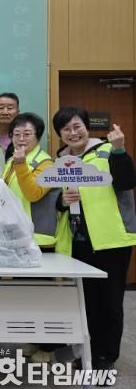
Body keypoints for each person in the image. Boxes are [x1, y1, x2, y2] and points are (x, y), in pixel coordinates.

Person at [52, 107, 136, 372]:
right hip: (79, 240)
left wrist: (120, 150)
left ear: (87, 127)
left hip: (112, 239)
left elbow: (126, 182)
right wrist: (62, 201)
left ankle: (106, 357)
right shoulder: (61, 160)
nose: (72, 133)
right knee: (86, 301)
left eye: (77, 126)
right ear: (59, 134)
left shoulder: (108, 150)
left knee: (110, 301)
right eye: (66, 129)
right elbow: (57, 201)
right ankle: (87, 352)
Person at [1, 113, 61, 363]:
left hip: (39, 239)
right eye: (16, 134)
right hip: (18, 238)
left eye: (27, 134)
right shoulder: (13, 160)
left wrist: (21, 164)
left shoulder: (45, 163)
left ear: (38, 136)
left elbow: (34, 193)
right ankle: (33, 337)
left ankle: (48, 346)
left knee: (43, 294)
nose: (21, 139)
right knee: (25, 293)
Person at [0, 93, 20, 158]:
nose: (5, 112)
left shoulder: (25, 138)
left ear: (17, 113)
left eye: (10, 108)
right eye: (1, 108)